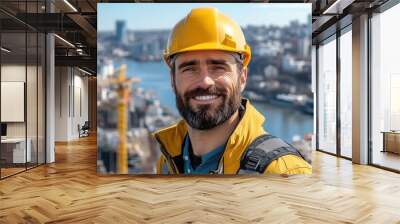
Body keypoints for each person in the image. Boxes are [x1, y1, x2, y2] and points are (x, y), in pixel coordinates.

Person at [153, 7, 312, 175]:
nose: (205, 81)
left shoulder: (284, 172)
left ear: (242, 77)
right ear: (172, 80)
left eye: (218, 67)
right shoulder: (167, 161)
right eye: (189, 69)